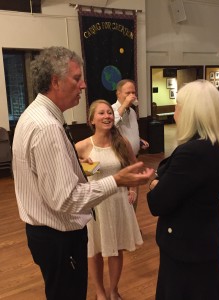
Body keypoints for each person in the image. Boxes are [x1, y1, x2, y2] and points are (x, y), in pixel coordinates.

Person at [12, 46, 154, 300]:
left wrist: (71, 160)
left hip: (46, 233)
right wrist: (117, 180)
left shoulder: (35, 115)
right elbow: (67, 199)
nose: (84, 85)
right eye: (76, 79)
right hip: (58, 238)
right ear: (55, 81)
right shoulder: (46, 127)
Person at [147, 80, 219, 300]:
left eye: (178, 107)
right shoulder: (217, 146)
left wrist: (153, 182)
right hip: (203, 242)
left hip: (185, 248)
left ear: (191, 113)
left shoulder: (192, 153)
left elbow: (156, 203)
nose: (175, 113)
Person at [75, 99, 143, 300]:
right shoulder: (82, 146)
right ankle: (99, 292)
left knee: (116, 249)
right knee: (94, 250)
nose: (107, 116)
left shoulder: (122, 143)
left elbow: (134, 167)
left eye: (109, 113)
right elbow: (69, 171)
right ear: (91, 120)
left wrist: (133, 189)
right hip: (95, 205)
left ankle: (113, 290)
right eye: (101, 113)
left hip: (118, 201)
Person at [112, 79, 149, 211]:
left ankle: (132, 227)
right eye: (128, 93)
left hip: (134, 159)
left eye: (133, 92)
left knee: (134, 198)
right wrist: (124, 105)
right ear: (118, 93)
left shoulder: (132, 112)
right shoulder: (111, 110)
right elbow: (112, 126)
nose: (131, 96)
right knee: (124, 199)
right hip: (121, 161)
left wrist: (138, 140)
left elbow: (127, 131)